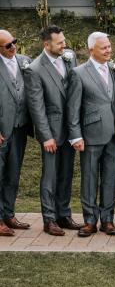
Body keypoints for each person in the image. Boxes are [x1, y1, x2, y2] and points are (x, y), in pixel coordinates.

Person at [24, 25, 82, 236]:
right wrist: (46, 137)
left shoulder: (70, 57)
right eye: (59, 43)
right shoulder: (35, 69)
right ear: (46, 44)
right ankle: (49, 220)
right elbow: (36, 108)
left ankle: (63, 215)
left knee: (66, 174)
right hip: (51, 132)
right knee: (50, 176)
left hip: (70, 129)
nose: (64, 45)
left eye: (64, 40)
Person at [67, 32, 115, 237]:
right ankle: (89, 221)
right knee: (89, 179)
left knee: (110, 178)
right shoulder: (79, 73)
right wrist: (75, 135)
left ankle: (107, 220)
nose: (109, 50)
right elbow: (73, 108)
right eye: (104, 48)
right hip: (90, 134)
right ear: (92, 50)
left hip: (114, 133)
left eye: (109, 46)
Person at [0, 30, 33, 236]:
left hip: (20, 127)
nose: (13, 47)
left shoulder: (25, 61)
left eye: (15, 43)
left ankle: (9, 214)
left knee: (13, 172)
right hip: (2, 129)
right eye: (8, 46)